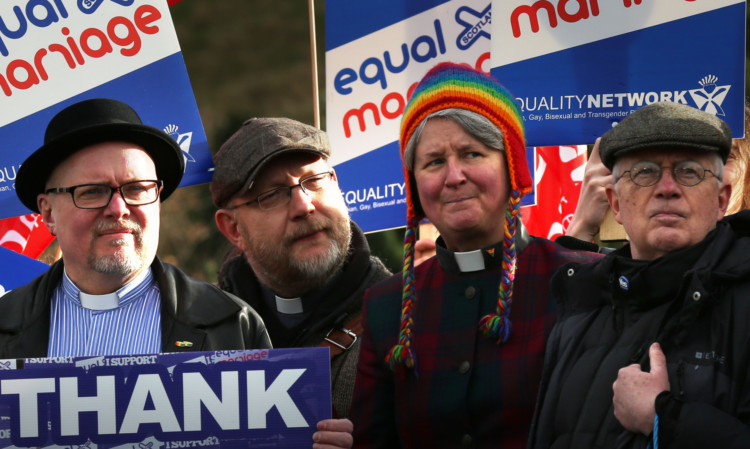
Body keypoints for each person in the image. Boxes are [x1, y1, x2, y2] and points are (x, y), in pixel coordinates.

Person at [0, 98, 351, 448]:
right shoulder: (5, 325)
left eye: (137, 189)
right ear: (47, 212)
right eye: (92, 192)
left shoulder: (230, 322)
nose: (119, 209)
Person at [349, 62, 601, 448]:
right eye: (434, 161)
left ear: (511, 166)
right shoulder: (386, 307)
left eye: (472, 154)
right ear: (414, 183)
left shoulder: (581, 281)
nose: (453, 177)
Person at [528, 101, 750, 448]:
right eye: (644, 172)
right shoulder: (577, 313)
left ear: (722, 199)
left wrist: (666, 419)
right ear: (614, 204)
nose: (666, 187)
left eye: (689, 171)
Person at [211, 117, 390, 419]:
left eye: (313, 181)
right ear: (233, 229)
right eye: (272, 195)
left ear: (335, 183)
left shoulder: (405, 319)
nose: (303, 205)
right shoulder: (203, 337)